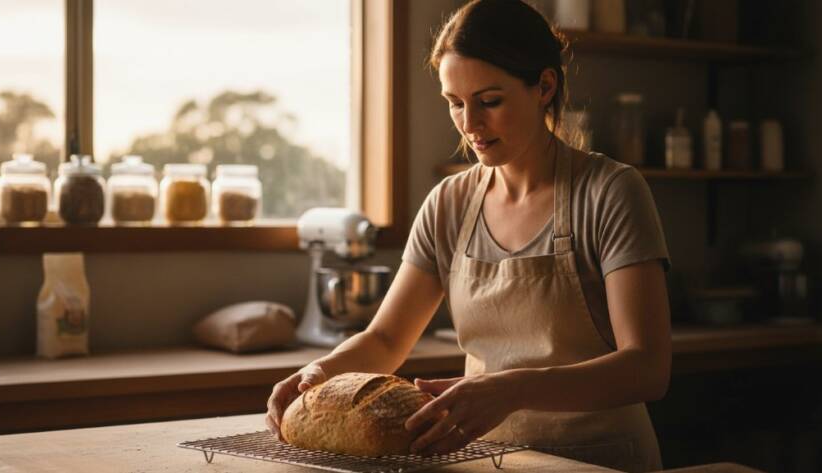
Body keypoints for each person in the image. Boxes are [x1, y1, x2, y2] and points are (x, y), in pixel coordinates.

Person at [265, 1, 671, 471]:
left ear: (544, 86)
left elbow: (646, 369)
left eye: (490, 101)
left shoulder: (610, 192)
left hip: (602, 459)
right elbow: (386, 337)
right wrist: (319, 373)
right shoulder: (449, 204)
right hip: (488, 461)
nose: (469, 125)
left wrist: (512, 388)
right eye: (455, 103)